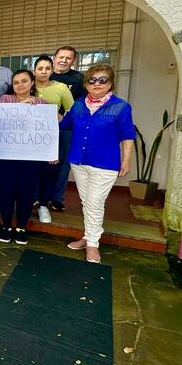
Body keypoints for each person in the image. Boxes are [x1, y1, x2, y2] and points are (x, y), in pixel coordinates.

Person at [59, 64, 134, 264]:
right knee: (87, 201)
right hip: (79, 161)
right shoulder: (78, 104)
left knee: (95, 202)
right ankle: (87, 236)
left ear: (110, 83)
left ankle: (93, 244)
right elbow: (63, 124)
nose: (97, 84)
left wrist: (126, 160)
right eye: (92, 80)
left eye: (102, 80)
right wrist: (39, 110)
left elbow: (127, 135)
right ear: (86, 84)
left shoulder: (121, 106)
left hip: (105, 162)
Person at [0, 69, 47, 245]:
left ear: (32, 83)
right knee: (6, 192)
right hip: (6, 156)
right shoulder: (4, 100)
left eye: (24, 81)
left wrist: (50, 152)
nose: (20, 85)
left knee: (26, 192)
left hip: (30, 158)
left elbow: (50, 128)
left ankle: (22, 227)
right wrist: (22, 106)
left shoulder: (41, 103)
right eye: (16, 82)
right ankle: (6, 226)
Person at [32, 54, 74, 224]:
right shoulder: (28, 85)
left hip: (50, 138)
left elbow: (72, 111)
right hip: (27, 139)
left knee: (48, 171)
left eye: (47, 68)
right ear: (34, 70)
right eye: (40, 68)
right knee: (30, 170)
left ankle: (44, 205)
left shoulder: (61, 88)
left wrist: (60, 116)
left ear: (52, 70)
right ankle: (32, 199)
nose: (43, 71)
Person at [49, 46, 86, 211]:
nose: (64, 60)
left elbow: (83, 105)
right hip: (44, 128)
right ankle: (36, 196)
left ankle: (57, 198)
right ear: (54, 57)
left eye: (68, 58)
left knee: (64, 164)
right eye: (61, 57)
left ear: (73, 61)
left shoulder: (79, 79)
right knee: (41, 161)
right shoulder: (45, 75)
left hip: (68, 128)